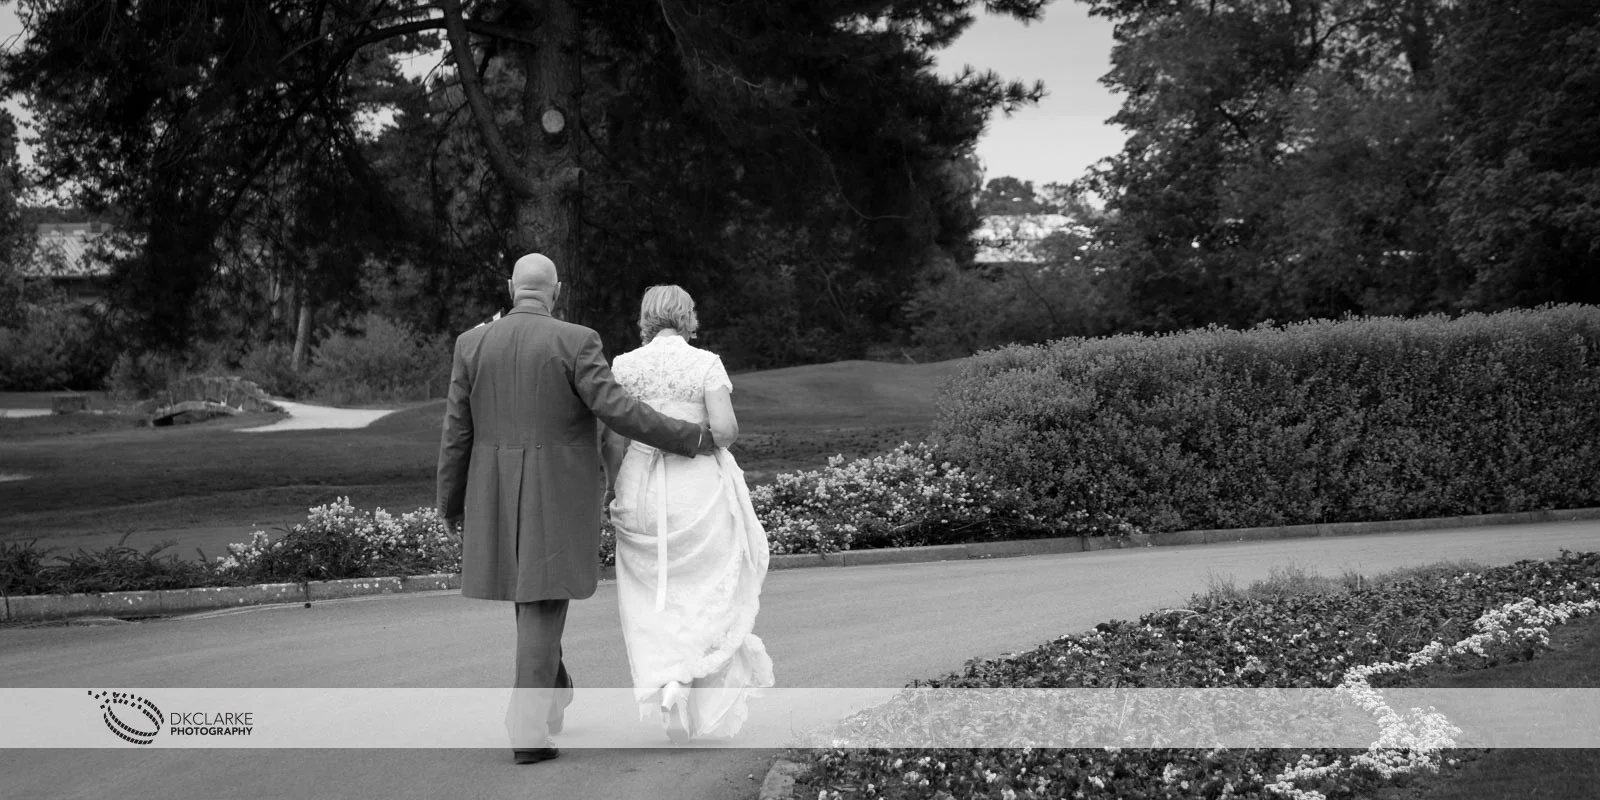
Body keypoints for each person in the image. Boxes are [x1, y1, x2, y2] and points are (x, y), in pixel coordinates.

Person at [436, 254, 716, 764]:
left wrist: (451, 503)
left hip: (494, 493)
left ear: (511, 287)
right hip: (556, 496)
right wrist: (691, 437)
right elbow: (620, 412)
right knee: (543, 602)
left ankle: (556, 685)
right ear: (556, 290)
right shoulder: (576, 340)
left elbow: (457, 430)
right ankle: (527, 730)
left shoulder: (471, 344)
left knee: (535, 598)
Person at [604, 285, 774, 743]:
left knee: (650, 594)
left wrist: (613, 487)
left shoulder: (623, 366)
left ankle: (666, 679)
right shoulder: (705, 363)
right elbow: (726, 431)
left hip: (641, 488)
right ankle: (685, 678)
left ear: (645, 318)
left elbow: (613, 439)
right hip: (697, 490)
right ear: (687, 316)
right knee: (701, 588)